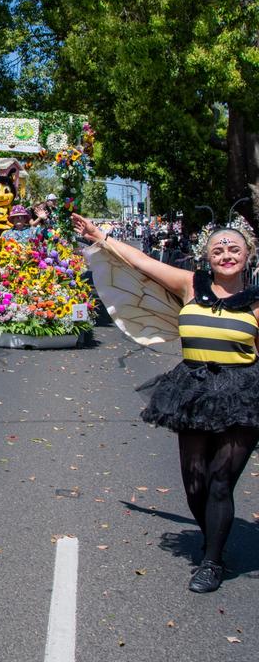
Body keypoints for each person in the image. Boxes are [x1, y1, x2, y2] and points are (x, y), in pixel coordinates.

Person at [74, 212, 259, 593]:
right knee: (195, 481)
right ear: (207, 258)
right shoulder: (191, 285)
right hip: (193, 388)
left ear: (248, 255)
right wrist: (101, 237)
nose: (226, 255)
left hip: (242, 394)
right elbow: (143, 263)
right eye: (218, 250)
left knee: (221, 481)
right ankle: (215, 538)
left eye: (234, 249)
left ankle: (211, 561)